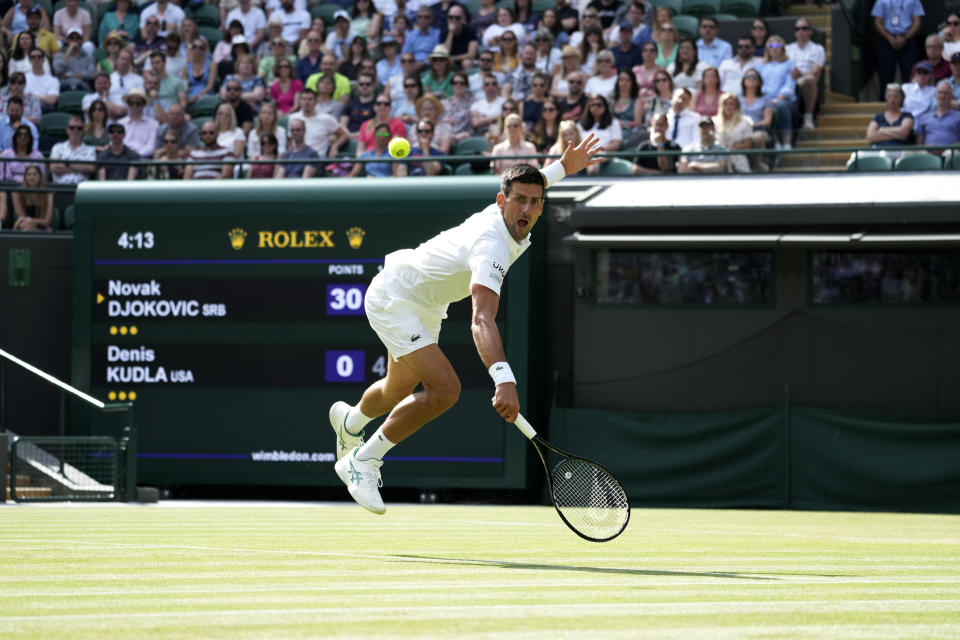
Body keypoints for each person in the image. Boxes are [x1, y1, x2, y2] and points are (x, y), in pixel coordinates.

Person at [328, 136, 601, 515]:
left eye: (535, 201)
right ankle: (364, 460)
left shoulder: (516, 210)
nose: (527, 207)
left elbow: (533, 185)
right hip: (395, 297)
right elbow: (481, 318)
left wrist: (561, 169)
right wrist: (504, 380)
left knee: (398, 387)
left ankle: (350, 421)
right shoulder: (491, 245)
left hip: (424, 302)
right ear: (501, 202)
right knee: (445, 389)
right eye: (519, 200)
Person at [871, 0, 924, 100]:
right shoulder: (881, 1)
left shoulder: (914, 1)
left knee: (910, 77)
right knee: (885, 78)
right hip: (886, 41)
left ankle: (909, 105)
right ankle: (884, 108)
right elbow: (877, 22)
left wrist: (905, 38)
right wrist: (889, 38)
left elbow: (917, 22)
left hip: (907, 40)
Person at [758, 35, 797, 150]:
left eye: (777, 45)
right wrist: (766, 100)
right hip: (765, 99)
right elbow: (757, 85)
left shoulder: (790, 64)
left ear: (783, 48)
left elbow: (790, 85)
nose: (774, 47)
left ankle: (787, 142)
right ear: (767, 49)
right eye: (771, 45)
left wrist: (778, 99)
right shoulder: (760, 66)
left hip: (785, 101)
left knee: (780, 105)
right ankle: (775, 141)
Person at [786, 18, 825, 130]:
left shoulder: (818, 48)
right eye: (797, 29)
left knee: (810, 79)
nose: (800, 31)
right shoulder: (787, 48)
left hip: (806, 81)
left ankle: (808, 117)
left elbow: (815, 71)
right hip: (789, 80)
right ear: (795, 32)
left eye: (804, 28)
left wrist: (800, 75)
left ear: (810, 31)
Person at [289, 88, 349, 157]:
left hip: (316, 160)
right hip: (295, 159)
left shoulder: (326, 119)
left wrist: (334, 146)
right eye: (304, 99)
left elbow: (344, 135)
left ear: (316, 102)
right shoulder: (292, 118)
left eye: (310, 99)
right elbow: (289, 141)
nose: (306, 102)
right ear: (300, 101)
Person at [578, 94, 620, 173]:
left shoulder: (614, 123)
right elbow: (577, 142)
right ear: (588, 107)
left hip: (606, 153)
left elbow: (616, 144)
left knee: (594, 164)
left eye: (599, 105)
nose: (595, 107)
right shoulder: (580, 125)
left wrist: (599, 149)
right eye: (592, 105)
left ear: (605, 107)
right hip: (585, 154)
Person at [49, 114, 95, 184]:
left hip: (81, 189)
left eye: (79, 128)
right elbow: (54, 168)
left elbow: (90, 168)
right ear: (67, 130)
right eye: (72, 128)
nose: (75, 130)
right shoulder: (57, 147)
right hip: (60, 188)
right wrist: (81, 168)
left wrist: (67, 163)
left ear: (83, 131)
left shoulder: (90, 149)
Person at [866, 83, 915, 149]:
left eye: (895, 96)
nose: (892, 99)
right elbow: (870, 136)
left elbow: (903, 134)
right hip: (878, 150)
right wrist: (896, 133)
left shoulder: (907, 116)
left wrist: (882, 130)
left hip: (901, 150)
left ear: (901, 99)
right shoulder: (878, 117)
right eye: (889, 96)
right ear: (886, 98)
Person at [915, 81, 960, 153]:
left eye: (946, 93)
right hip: (928, 153)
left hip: (951, 152)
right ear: (935, 95)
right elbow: (919, 143)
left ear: (951, 96)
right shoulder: (924, 117)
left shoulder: (958, 116)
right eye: (940, 92)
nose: (942, 96)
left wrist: (946, 148)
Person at [713, 93, 752, 173]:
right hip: (717, 157)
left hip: (738, 156)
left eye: (731, 104)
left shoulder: (745, 121)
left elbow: (748, 144)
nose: (728, 106)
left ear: (736, 106)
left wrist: (737, 147)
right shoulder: (714, 121)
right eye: (725, 104)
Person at [118, 87, 159, 158]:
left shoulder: (153, 124)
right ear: (127, 104)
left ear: (144, 105)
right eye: (131, 103)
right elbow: (115, 144)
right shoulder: (120, 123)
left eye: (138, 103)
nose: (134, 105)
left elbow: (150, 148)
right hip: (121, 159)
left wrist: (131, 153)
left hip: (142, 160)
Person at [11, 164, 52, 231]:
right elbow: (21, 217)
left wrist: (30, 221)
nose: (31, 177)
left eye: (35, 174)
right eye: (28, 174)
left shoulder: (48, 193)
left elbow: (47, 221)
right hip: (23, 225)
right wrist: (29, 222)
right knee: (25, 225)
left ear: (40, 177)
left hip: (42, 226)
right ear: (25, 177)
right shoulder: (16, 193)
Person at [612, 68, 644, 146]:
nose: (624, 83)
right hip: (611, 131)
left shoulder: (637, 101)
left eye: (627, 80)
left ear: (632, 83)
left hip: (629, 134)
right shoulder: (611, 100)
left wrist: (622, 124)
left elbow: (638, 123)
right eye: (622, 80)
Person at [440, 4, 478, 70]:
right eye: (451, 17)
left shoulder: (471, 30)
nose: (454, 20)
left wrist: (454, 58)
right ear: (447, 19)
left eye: (457, 18)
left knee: (467, 62)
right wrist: (451, 33)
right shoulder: (444, 32)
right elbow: (444, 54)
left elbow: (472, 54)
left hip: (466, 60)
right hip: (450, 62)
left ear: (463, 19)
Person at [441, 71, 473, 142]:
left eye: (462, 83)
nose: (458, 85)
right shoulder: (443, 102)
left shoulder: (473, 102)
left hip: (464, 135)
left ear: (466, 85)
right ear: (452, 85)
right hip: (445, 135)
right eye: (455, 83)